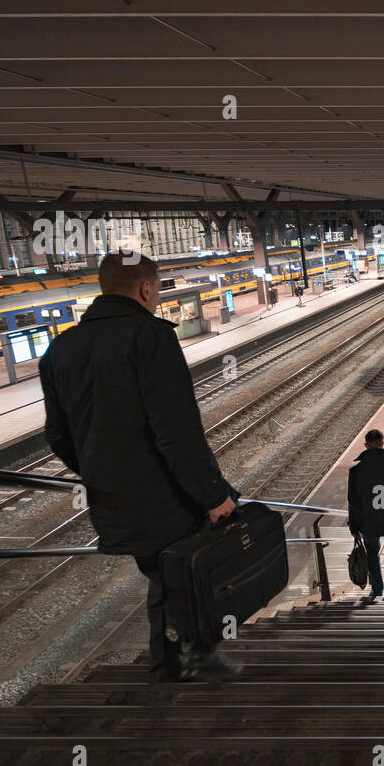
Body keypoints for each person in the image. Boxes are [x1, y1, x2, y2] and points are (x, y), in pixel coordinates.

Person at [40, 254, 238, 683]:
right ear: (146, 289)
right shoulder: (151, 337)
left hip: (111, 499)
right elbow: (177, 431)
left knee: (163, 577)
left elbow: (57, 435)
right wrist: (213, 495)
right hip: (166, 498)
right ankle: (193, 662)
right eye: (159, 287)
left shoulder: (61, 348)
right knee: (191, 573)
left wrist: (99, 469)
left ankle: (172, 665)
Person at [346, 429, 384, 599]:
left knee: (372, 552)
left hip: (368, 522)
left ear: (365, 446)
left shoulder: (355, 472)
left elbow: (353, 501)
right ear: (382, 444)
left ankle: (377, 589)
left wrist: (354, 526)